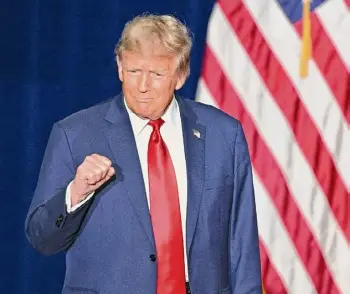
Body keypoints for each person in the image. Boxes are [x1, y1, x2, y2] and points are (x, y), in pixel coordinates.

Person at [25, 14, 262, 294]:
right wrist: (75, 194)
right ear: (119, 67)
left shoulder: (224, 135)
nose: (143, 86)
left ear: (181, 76)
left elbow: (241, 242)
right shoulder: (75, 134)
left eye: (157, 74)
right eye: (134, 71)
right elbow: (42, 238)